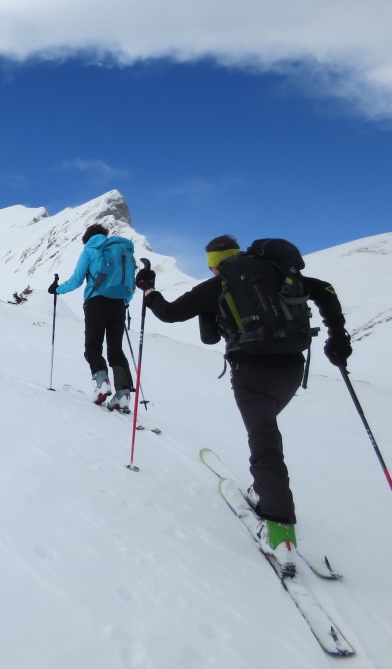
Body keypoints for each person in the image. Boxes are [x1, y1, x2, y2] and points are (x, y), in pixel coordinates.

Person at [135, 234, 352, 576]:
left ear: (216, 263)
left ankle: (280, 532)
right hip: (292, 369)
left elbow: (171, 314)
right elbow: (324, 289)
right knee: (265, 432)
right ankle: (263, 487)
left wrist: (148, 290)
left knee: (264, 442)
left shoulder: (217, 285)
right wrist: (338, 337)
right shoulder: (279, 273)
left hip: (251, 372)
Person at [48, 223, 135, 412]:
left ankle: (102, 383)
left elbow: (77, 279)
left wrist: (57, 289)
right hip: (119, 304)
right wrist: (125, 301)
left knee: (92, 348)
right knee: (116, 351)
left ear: (87, 238)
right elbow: (130, 283)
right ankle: (123, 394)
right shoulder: (122, 251)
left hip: (96, 303)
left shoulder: (90, 250)